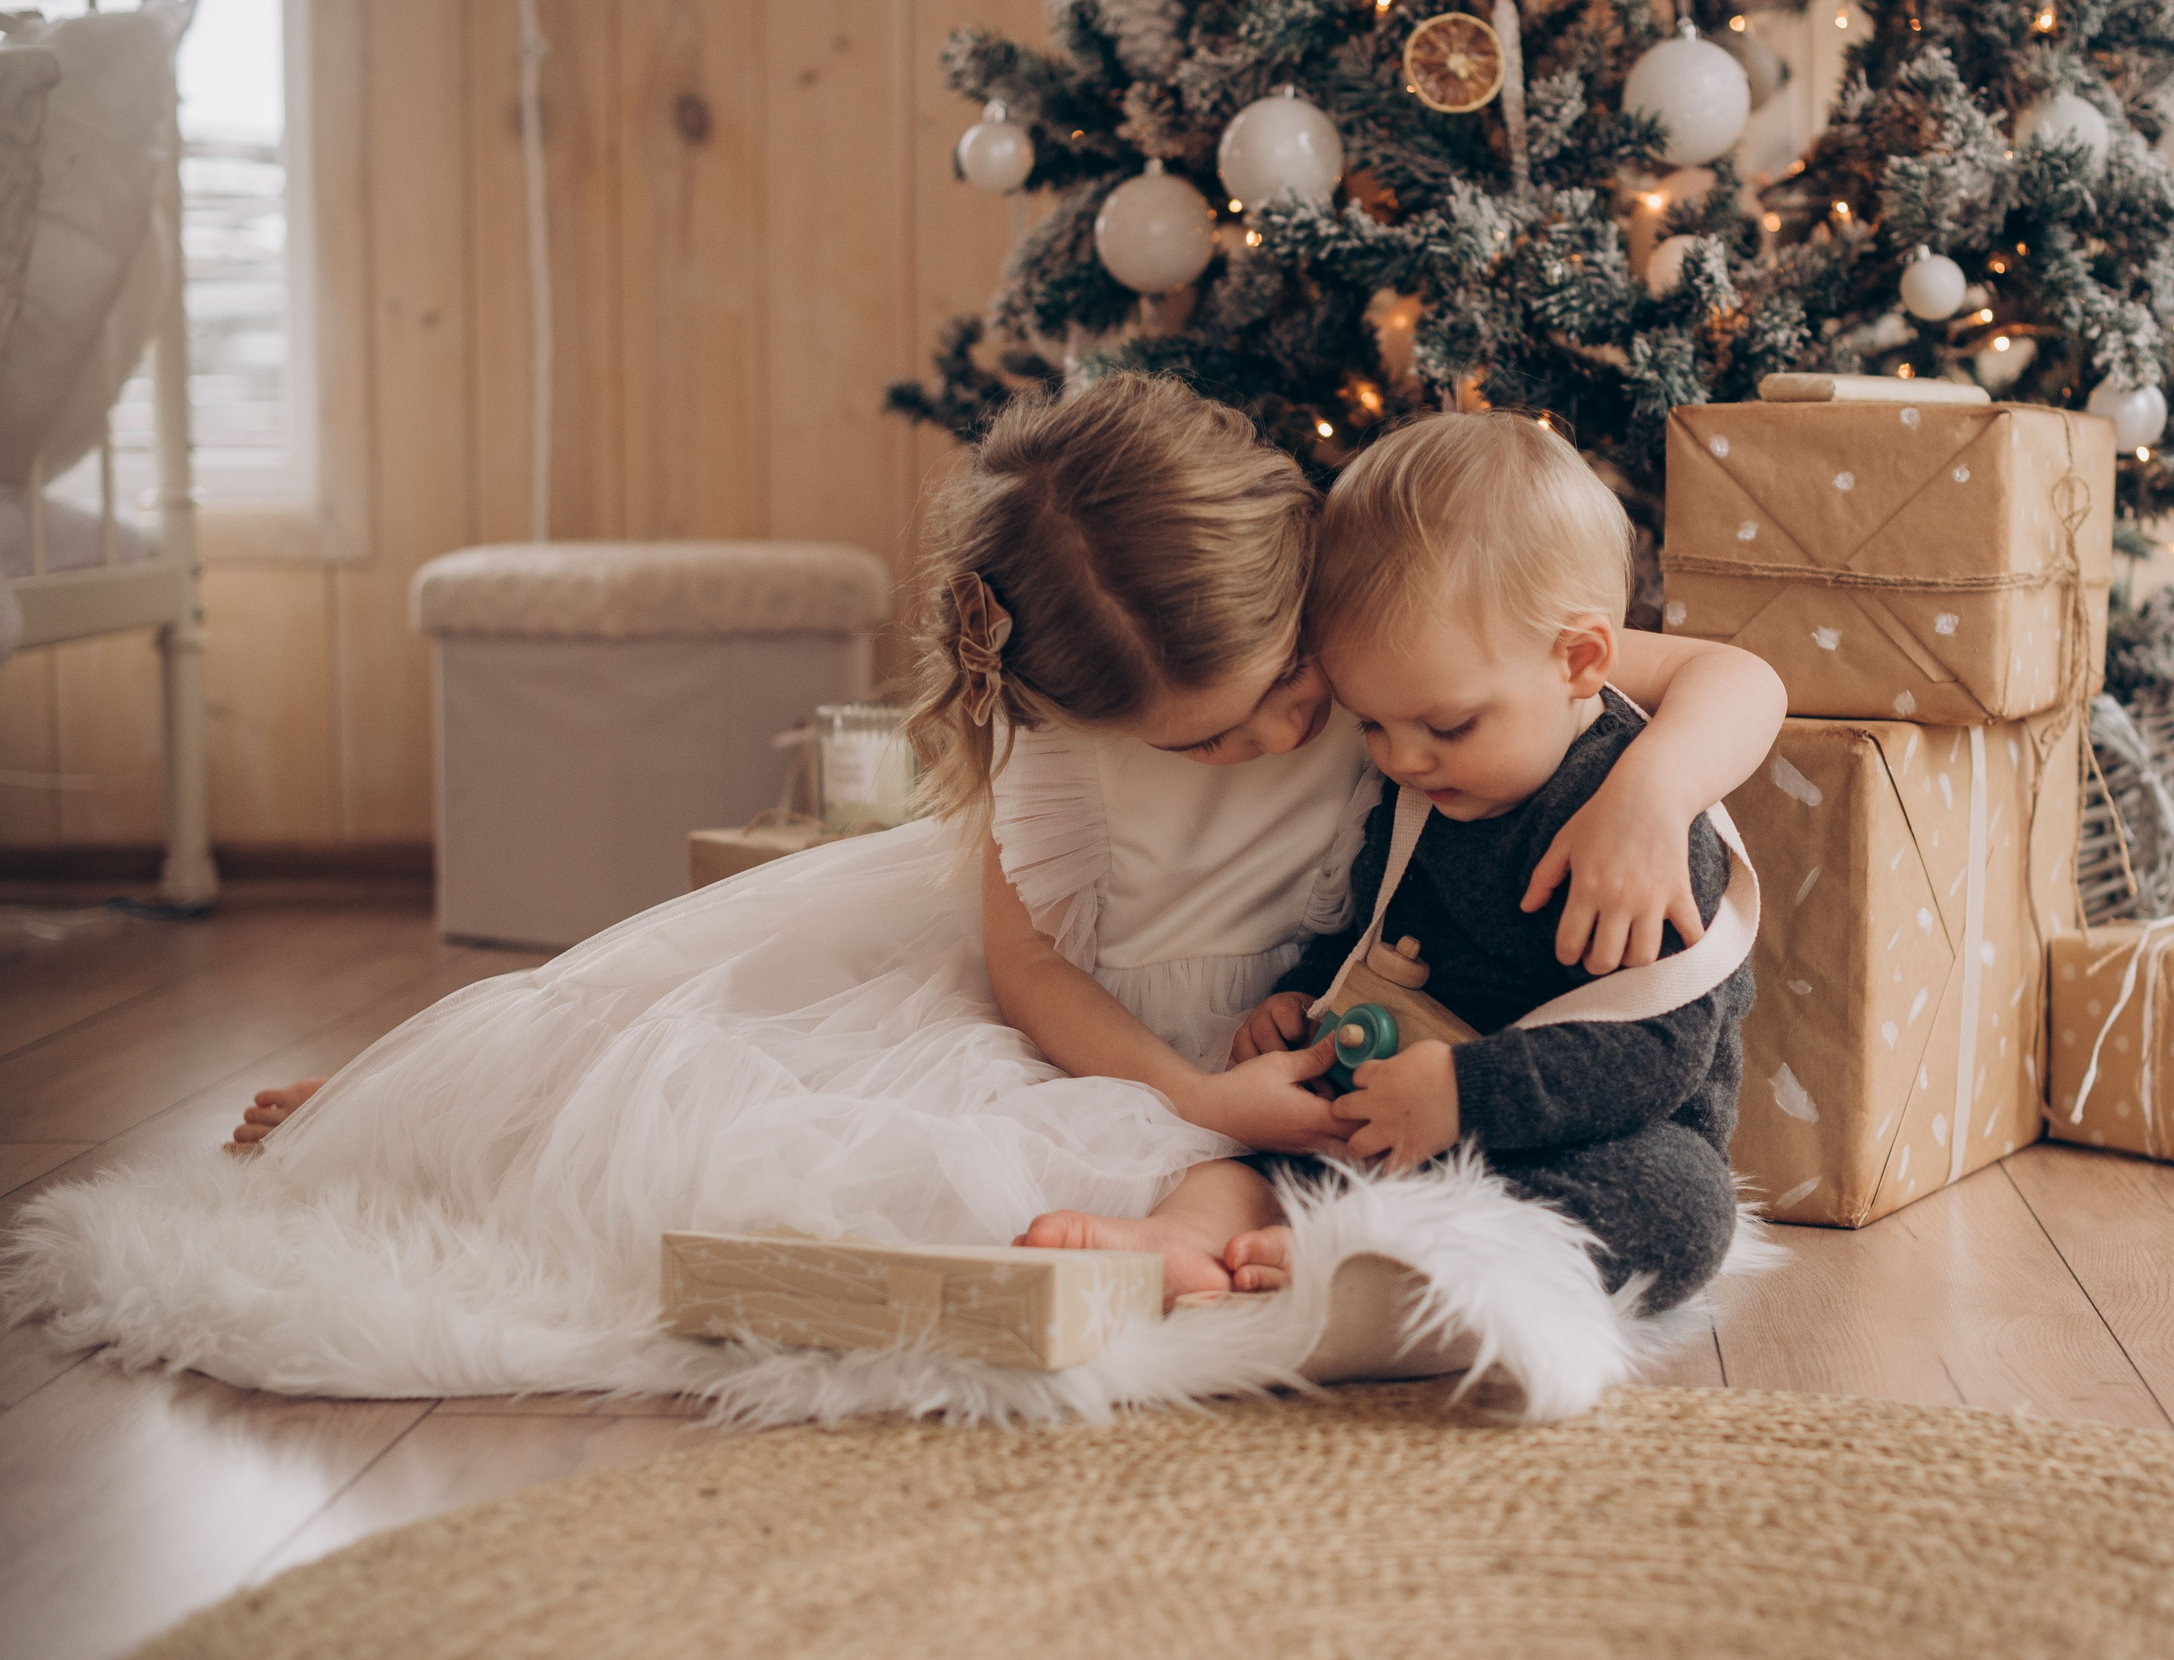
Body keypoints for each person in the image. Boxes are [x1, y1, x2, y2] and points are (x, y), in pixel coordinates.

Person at [8, 376, 1780, 1402]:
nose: (1302, 740)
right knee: (699, 1056)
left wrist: (1655, 788)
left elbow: (1727, 679)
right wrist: (1186, 1091)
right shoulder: (1074, 741)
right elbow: (1028, 979)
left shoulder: (1385, 617)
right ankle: (431, 1104)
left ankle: (457, 1101)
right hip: (1124, 1025)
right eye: (1220, 738)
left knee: (861, 1127)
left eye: (1288, 702)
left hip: (1314, 1021)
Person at [1034, 411, 1759, 1315]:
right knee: (1271, 1149)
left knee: (1681, 1206)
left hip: (1579, 1124)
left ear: (1578, 660)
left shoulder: (1632, 821)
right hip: (1407, 1097)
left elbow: (1660, 1050)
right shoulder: (1427, 789)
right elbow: (1366, 929)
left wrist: (1469, 1096)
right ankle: (1183, 1236)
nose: (1404, 759)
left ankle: (1395, 1260)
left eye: (1446, 726)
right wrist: (1300, 1001)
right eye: (1373, 723)